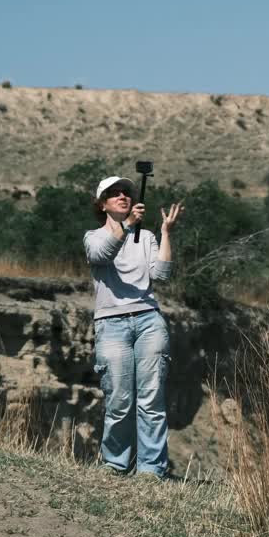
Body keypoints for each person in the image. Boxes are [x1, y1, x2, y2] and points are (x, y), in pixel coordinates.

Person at [84, 175, 183, 478]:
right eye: (113, 194)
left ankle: (152, 470)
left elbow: (162, 274)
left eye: (125, 192)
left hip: (148, 321)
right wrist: (126, 227)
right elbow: (102, 255)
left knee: (151, 398)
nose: (122, 196)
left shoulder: (147, 237)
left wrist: (166, 232)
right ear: (102, 205)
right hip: (110, 324)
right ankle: (115, 464)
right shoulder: (93, 236)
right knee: (119, 399)